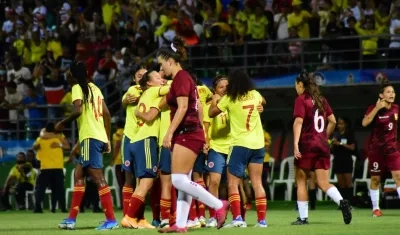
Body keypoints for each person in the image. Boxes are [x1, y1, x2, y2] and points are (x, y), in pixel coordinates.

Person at [157, 36, 229, 233]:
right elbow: (196, 109)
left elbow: (181, 108)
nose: (162, 70)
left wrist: (169, 133)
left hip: (187, 133)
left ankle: (218, 205)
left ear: (171, 61)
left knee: (178, 180)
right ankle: (181, 225)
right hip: (192, 132)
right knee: (184, 182)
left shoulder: (181, 78)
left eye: (163, 65)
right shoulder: (184, 79)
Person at [56, 61, 118, 230]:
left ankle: (111, 220)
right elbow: (106, 113)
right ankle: (71, 219)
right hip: (95, 137)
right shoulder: (95, 89)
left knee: (98, 178)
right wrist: (106, 139)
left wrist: (62, 123)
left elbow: (77, 111)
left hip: (90, 137)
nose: (67, 77)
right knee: (78, 173)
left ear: (72, 75)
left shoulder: (77, 87)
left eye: (68, 74)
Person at [209, 69, 267, 228]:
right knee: (257, 183)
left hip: (240, 145)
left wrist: (215, 100)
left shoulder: (229, 98)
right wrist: (259, 107)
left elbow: (212, 112)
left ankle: (238, 219)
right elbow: (264, 101)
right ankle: (262, 221)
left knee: (233, 184)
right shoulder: (255, 94)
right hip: (258, 145)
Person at [292, 72, 352, 225]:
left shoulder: (301, 99)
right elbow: (332, 121)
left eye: (296, 84)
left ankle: (303, 218)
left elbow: (298, 122)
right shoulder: (321, 100)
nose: (295, 87)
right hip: (322, 145)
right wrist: (324, 136)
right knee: (323, 182)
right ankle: (342, 202)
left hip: (307, 144)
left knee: (301, 180)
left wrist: (295, 143)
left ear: (300, 85)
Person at [121, 70, 168, 229]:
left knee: (142, 182)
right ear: (149, 83)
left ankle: (138, 218)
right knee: (147, 181)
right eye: (158, 77)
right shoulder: (154, 91)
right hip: (145, 140)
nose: (161, 80)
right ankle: (129, 216)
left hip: (136, 140)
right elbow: (173, 87)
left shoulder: (145, 94)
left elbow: (136, 111)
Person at [361, 81, 400, 217]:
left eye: (393, 92)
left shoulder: (396, 108)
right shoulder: (373, 108)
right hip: (376, 151)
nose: (391, 94)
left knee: (398, 177)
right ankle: (376, 209)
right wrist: (377, 108)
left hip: (392, 150)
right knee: (375, 179)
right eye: (388, 92)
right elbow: (364, 123)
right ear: (381, 95)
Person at [203, 75, 230, 228]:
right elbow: (206, 128)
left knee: (233, 185)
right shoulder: (209, 107)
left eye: (227, 86)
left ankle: (238, 217)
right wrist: (206, 143)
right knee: (214, 182)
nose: (225, 89)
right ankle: (213, 216)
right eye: (221, 87)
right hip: (217, 148)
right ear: (215, 90)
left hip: (233, 147)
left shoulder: (234, 103)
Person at [120, 65, 145, 217]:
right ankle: (126, 214)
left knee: (143, 179)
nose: (141, 77)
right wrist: (125, 100)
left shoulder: (153, 91)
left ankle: (138, 216)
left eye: (144, 75)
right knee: (129, 178)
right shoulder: (132, 90)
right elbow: (126, 98)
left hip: (144, 137)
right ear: (134, 79)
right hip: (129, 137)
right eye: (138, 75)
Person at [32, 122, 70, 213]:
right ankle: (63, 208)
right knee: (59, 189)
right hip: (57, 167)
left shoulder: (40, 139)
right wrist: (59, 145)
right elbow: (68, 147)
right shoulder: (59, 137)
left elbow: (34, 147)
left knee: (41, 189)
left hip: (45, 168)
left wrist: (37, 147)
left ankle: (38, 208)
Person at [331, 117, 356, 204]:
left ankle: (350, 202)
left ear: (345, 124)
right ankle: (342, 203)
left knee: (348, 183)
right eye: (338, 124)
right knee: (341, 183)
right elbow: (331, 148)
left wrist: (340, 143)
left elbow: (352, 147)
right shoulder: (335, 134)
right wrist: (332, 143)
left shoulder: (349, 134)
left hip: (347, 160)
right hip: (337, 160)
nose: (339, 125)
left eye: (341, 124)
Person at [111, 120, 125, 209]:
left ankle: (123, 204)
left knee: (121, 184)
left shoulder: (116, 134)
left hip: (119, 161)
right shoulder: (127, 132)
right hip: (128, 160)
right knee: (129, 183)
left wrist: (113, 158)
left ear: (116, 126)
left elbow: (116, 146)